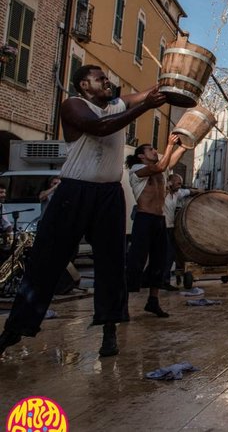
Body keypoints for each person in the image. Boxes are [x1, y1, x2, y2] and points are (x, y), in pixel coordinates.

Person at [0, 65, 165, 357]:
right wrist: (145, 107)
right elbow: (102, 128)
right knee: (46, 259)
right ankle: (15, 329)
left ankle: (109, 329)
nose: (108, 81)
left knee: (112, 264)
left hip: (109, 195)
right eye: (100, 78)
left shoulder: (116, 104)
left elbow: (147, 95)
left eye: (107, 78)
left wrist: (169, 87)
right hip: (74, 191)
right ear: (83, 85)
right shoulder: (74, 105)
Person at [126, 136, 186, 318]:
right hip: (144, 218)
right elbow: (160, 166)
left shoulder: (160, 171)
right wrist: (168, 144)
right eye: (150, 149)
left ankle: (153, 301)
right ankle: (123, 303)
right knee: (136, 261)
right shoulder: (137, 170)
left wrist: (184, 146)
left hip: (159, 220)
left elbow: (168, 163)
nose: (154, 151)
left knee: (159, 261)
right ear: (141, 156)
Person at [162, 174, 198, 289]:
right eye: (178, 183)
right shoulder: (163, 193)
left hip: (171, 227)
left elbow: (189, 192)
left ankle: (162, 279)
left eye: (180, 184)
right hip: (162, 227)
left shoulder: (177, 194)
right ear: (170, 182)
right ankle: (163, 281)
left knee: (170, 254)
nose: (180, 186)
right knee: (166, 254)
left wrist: (201, 191)